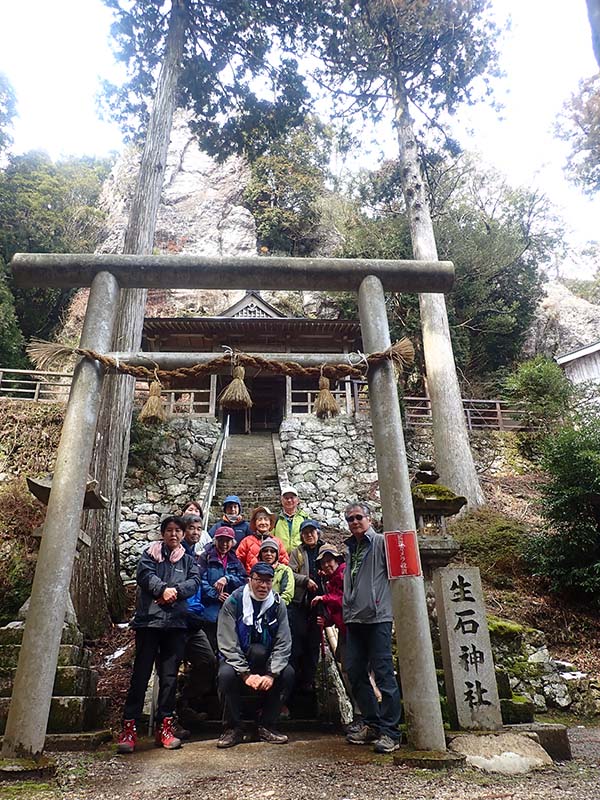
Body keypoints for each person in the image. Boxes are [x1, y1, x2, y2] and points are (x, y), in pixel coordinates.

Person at [117, 515, 201, 753]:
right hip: (149, 623)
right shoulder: (149, 554)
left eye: (178, 531)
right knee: (140, 676)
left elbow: (194, 582)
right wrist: (162, 589)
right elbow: (144, 576)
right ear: (163, 533)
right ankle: (129, 728)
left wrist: (173, 592)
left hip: (175, 624)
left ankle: (164, 726)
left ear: (183, 535)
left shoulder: (188, 559)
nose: (174, 535)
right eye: (170, 530)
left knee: (169, 677)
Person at [343, 502, 401, 754]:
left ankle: (391, 731)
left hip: (378, 617)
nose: (354, 522)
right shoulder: (349, 548)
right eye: (350, 519)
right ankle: (372, 722)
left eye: (358, 517)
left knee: (384, 674)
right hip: (354, 617)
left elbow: (399, 572)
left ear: (369, 519)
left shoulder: (380, 543)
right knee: (354, 671)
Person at [216, 561, 294, 748]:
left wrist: (272, 673)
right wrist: (245, 674)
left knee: (288, 673)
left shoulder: (277, 603)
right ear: (250, 580)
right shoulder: (234, 601)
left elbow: (283, 641)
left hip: (265, 658)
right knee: (225, 675)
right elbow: (227, 641)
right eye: (259, 580)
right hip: (237, 658)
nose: (263, 586)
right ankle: (232, 728)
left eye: (268, 581)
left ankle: (267, 724)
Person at [288, 519, 324, 697]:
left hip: (320, 605)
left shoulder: (326, 550)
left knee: (313, 643)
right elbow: (290, 573)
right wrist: (305, 580)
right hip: (301, 604)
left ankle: (308, 681)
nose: (309, 535)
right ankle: (294, 682)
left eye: (312, 531)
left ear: (318, 532)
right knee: (297, 642)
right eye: (305, 532)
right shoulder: (297, 552)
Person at [236, 506, 290, 574]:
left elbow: (285, 563)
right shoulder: (246, 541)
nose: (263, 522)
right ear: (255, 523)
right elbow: (237, 562)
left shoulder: (277, 542)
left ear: (270, 523)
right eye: (260, 519)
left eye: (266, 519)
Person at [258, 537, 295, 606]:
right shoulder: (256, 570)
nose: (269, 554)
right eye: (265, 551)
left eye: (272, 551)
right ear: (260, 554)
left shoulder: (285, 570)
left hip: (278, 608)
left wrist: (275, 606)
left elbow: (287, 594)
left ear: (277, 555)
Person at [274, 485, 310, 553]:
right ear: (281, 500)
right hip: (281, 558)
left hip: (300, 557)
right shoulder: (275, 519)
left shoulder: (305, 518)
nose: (289, 500)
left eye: (292, 497)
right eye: (286, 498)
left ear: (297, 500)